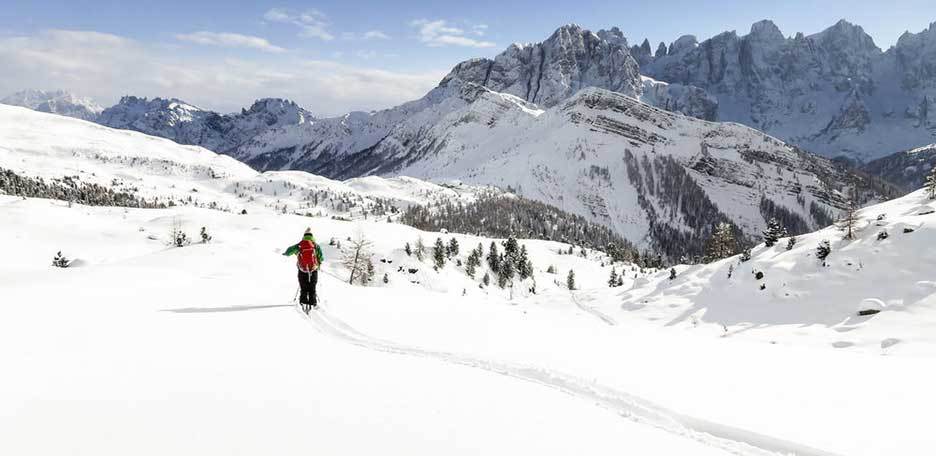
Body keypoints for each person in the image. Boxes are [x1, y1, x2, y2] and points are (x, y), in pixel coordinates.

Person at [283, 228, 324, 313]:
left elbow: (289, 252)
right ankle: (313, 302)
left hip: (302, 270)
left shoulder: (300, 245)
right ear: (312, 236)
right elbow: (321, 258)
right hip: (313, 270)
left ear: (304, 236)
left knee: (303, 287)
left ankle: (303, 302)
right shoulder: (316, 246)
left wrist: (285, 253)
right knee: (312, 287)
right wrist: (318, 264)